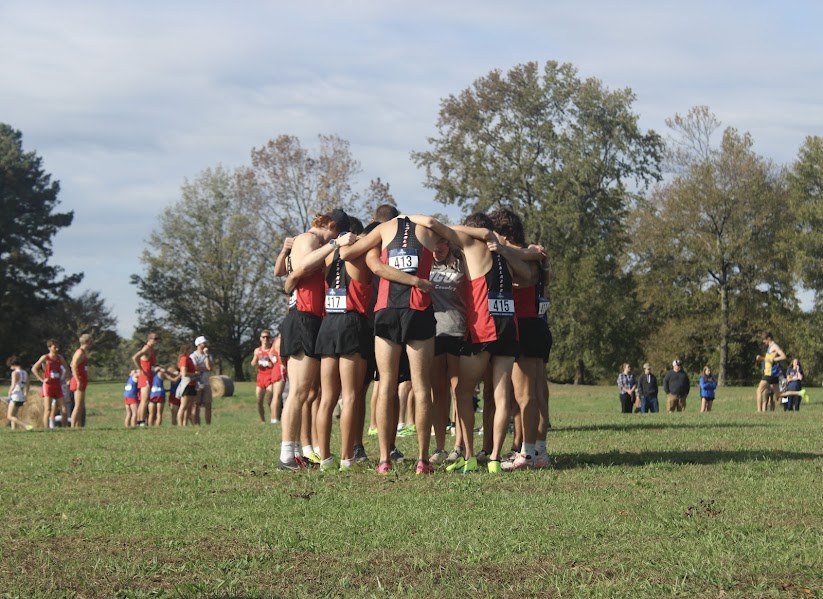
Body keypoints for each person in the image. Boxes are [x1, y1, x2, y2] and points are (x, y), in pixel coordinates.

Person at [339, 214, 444, 475]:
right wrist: (417, 280)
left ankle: (384, 459)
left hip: (387, 309)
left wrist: (343, 242)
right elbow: (451, 241)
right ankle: (423, 460)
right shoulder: (428, 230)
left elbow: (349, 255)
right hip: (419, 309)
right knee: (421, 386)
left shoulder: (384, 229)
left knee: (385, 385)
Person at [277, 211, 355, 470]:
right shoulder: (308, 239)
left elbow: (292, 276)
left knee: (303, 391)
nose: (336, 239)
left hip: (310, 319)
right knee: (297, 391)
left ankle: (296, 452)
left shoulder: (314, 243)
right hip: (301, 318)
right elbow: (301, 268)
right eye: (337, 234)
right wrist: (334, 245)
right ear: (332, 227)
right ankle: (287, 455)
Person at [31, 339, 70, 428]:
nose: (57, 348)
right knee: (48, 409)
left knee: (64, 409)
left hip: (57, 385)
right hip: (48, 386)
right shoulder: (45, 357)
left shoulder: (60, 358)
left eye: (57, 347)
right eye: (54, 347)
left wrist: (62, 379)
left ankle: (65, 427)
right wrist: (42, 379)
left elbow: (67, 370)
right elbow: (34, 368)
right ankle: (46, 428)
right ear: (49, 348)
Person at [131, 332, 160, 426]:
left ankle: (140, 420)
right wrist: (141, 370)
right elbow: (135, 357)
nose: (157, 341)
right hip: (145, 376)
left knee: (145, 399)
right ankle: (141, 420)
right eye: (155, 339)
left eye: (157, 339)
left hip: (149, 375)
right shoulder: (146, 348)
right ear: (149, 339)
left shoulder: (151, 349)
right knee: (145, 399)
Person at [755, 331, 786, 412]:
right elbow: (768, 360)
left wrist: (775, 359)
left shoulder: (774, 346)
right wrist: (761, 358)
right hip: (772, 373)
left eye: (764, 340)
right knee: (779, 394)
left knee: (759, 390)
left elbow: (783, 356)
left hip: (770, 373)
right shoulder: (770, 347)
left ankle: (759, 411)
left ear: (768, 338)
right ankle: (798, 393)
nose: (763, 341)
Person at [252, 330, 277, 423]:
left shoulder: (272, 349)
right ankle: (262, 420)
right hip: (260, 377)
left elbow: (275, 363)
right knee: (259, 400)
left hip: (270, 377)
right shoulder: (257, 350)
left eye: (267, 337)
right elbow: (253, 363)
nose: (265, 339)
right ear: (260, 338)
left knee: (269, 399)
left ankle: (273, 418)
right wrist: (257, 361)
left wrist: (269, 363)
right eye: (263, 337)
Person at [69, 333, 92, 428]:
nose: (92, 344)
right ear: (87, 342)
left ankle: (78, 425)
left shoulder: (83, 353)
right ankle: (72, 426)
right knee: (78, 406)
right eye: (91, 341)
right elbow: (73, 365)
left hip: (82, 380)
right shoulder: (79, 352)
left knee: (81, 406)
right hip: (78, 381)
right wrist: (78, 380)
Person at [4, 356, 33, 430]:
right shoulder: (25, 372)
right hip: (21, 395)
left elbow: (13, 384)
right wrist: (26, 394)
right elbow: (28, 384)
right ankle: (13, 429)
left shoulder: (15, 373)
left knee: (9, 416)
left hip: (15, 395)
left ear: (13, 364)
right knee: (14, 414)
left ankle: (25, 426)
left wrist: (9, 392)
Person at [190, 336, 213, 425]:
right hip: (196, 383)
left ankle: (208, 424)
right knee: (196, 404)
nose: (205, 345)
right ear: (198, 344)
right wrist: (204, 368)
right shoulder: (193, 356)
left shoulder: (208, 355)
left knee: (208, 404)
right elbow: (194, 368)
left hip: (206, 382)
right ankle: (196, 423)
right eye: (204, 343)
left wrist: (206, 356)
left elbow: (210, 367)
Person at [175, 343, 198, 426]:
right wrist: (194, 374)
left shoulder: (189, 359)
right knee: (183, 405)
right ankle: (180, 424)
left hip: (192, 383)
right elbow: (184, 373)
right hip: (187, 383)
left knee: (189, 405)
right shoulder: (184, 359)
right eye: (190, 349)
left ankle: (185, 423)